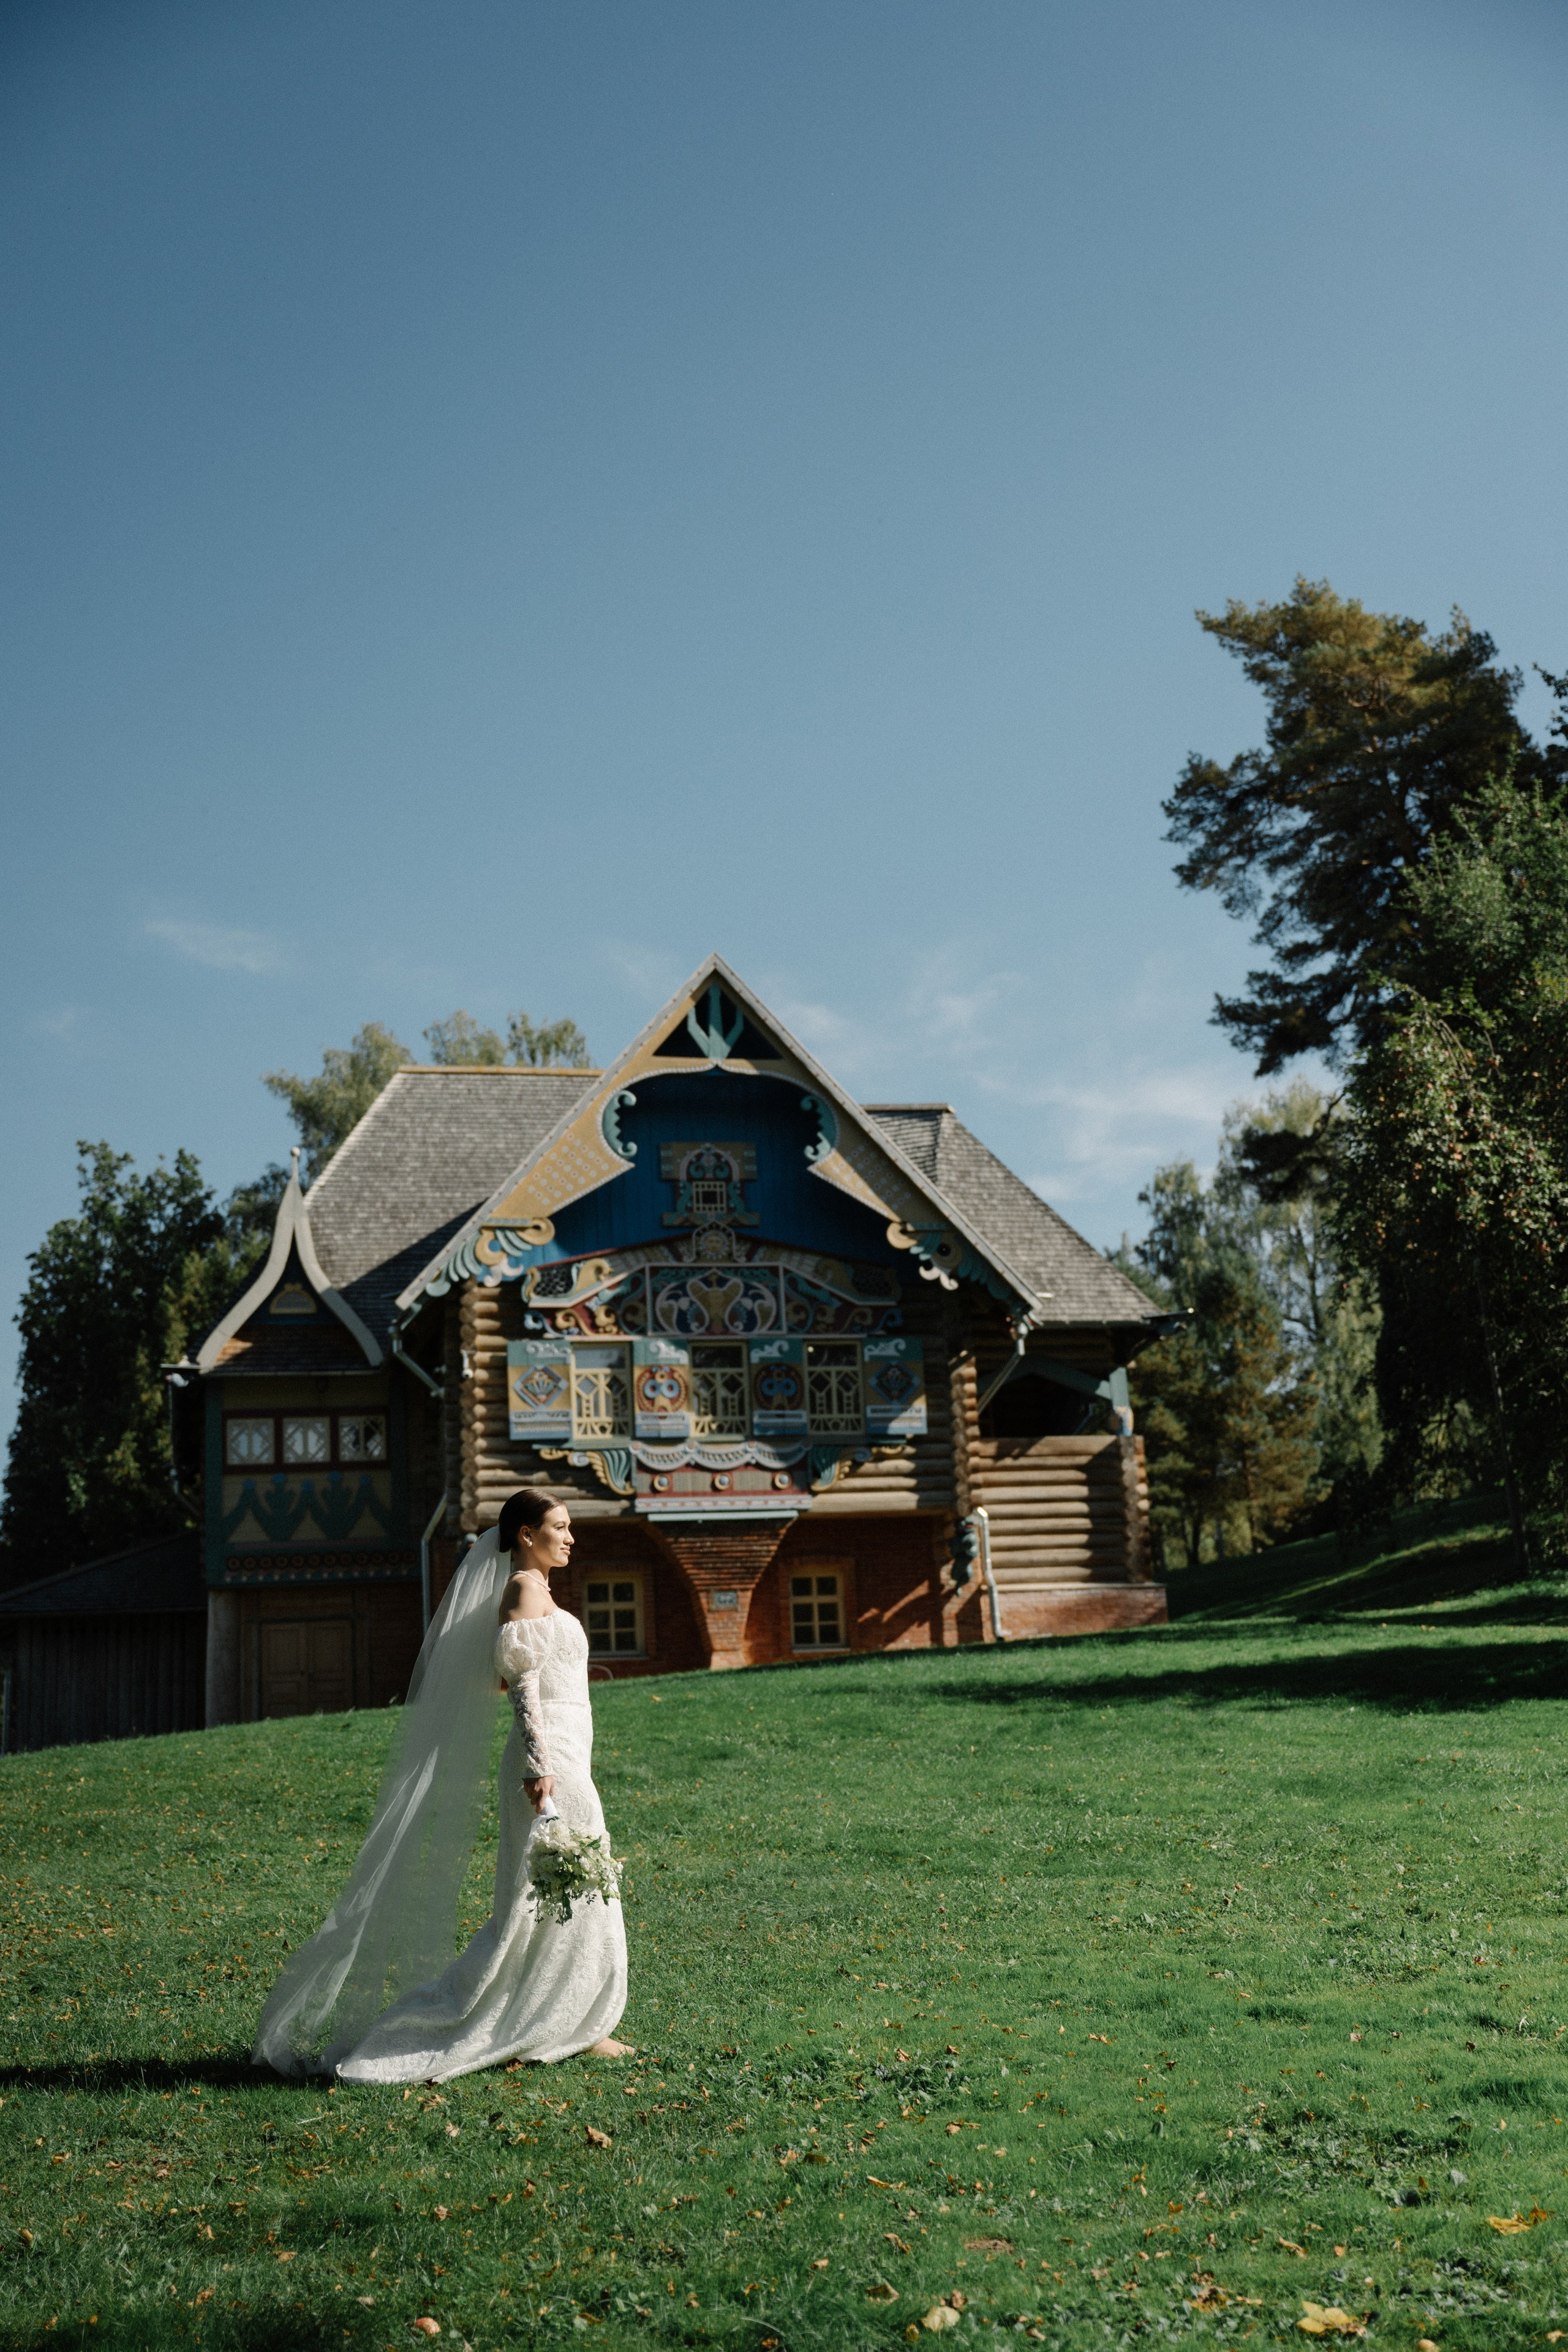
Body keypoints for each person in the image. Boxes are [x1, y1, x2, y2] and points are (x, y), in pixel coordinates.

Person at [252, 1490, 631, 2080]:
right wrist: (539, 1765)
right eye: (560, 1527)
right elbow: (523, 1685)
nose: (571, 1538)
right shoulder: (524, 1591)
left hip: (569, 1752)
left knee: (573, 1886)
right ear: (526, 1535)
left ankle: (573, 2021)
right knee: (552, 1890)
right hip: (549, 1758)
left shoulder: (541, 1591)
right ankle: (536, 2023)